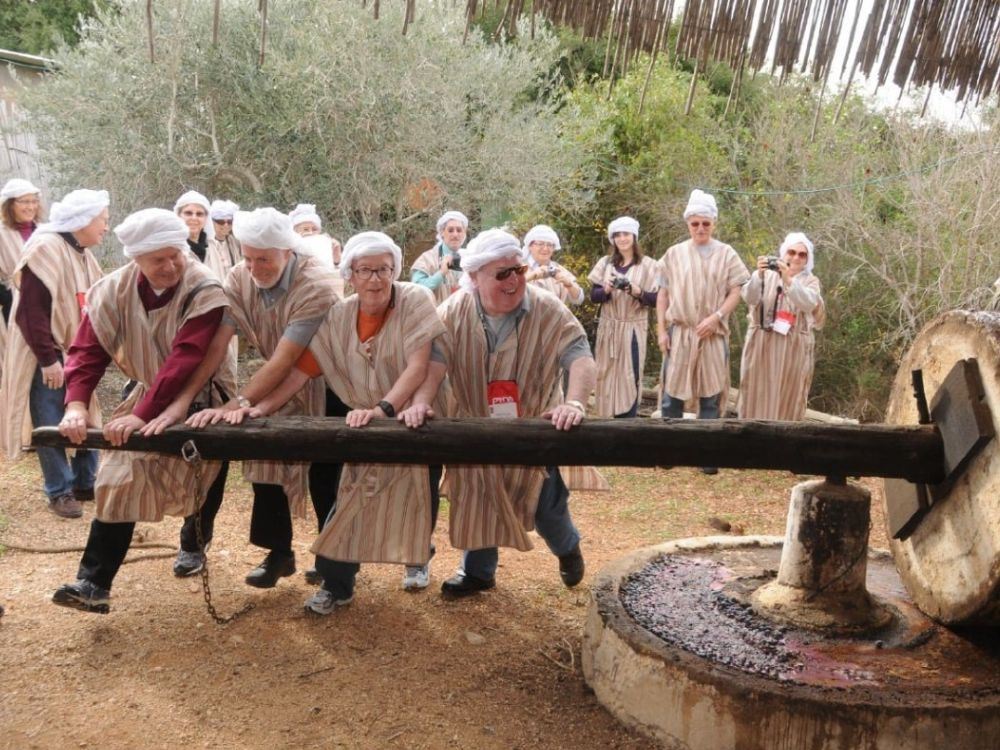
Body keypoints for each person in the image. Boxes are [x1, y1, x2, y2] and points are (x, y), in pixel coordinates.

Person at [227, 231, 446, 613]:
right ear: (350, 275)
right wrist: (262, 407)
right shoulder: (339, 316)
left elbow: (419, 365)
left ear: (394, 270)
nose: (375, 279)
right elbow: (300, 373)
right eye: (365, 270)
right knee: (348, 502)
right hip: (367, 418)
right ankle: (336, 584)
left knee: (419, 496)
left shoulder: (414, 298)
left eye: (383, 269)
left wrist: (384, 409)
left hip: (412, 415)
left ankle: (416, 556)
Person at [50, 208, 234, 613]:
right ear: (136, 259)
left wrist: (142, 414)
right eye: (157, 260)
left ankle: (194, 543)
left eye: (175, 255)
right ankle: (93, 583)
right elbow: (87, 351)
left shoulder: (204, 288)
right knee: (117, 478)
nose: (170, 266)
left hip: (203, 394)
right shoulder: (111, 290)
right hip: (149, 393)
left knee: (203, 476)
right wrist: (76, 405)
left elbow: (186, 358)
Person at [400, 228, 597, 598]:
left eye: (518, 270)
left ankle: (567, 547)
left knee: (545, 505)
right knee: (478, 498)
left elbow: (580, 356)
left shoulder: (547, 307)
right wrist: (422, 401)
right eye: (501, 273)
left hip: (534, 425)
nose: (514, 280)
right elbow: (435, 363)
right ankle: (478, 573)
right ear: (474, 277)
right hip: (476, 427)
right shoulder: (453, 311)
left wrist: (573, 403)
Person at [183, 207, 338, 588]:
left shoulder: (316, 283)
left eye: (264, 259)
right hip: (275, 380)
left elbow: (286, 358)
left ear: (287, 251)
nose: (254, 268)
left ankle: (333, 558)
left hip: (329, 383)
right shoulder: (239, 276)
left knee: (326, 474)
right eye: (248, 257)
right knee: (264, 459)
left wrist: (239, 402)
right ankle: (278, 553)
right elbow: (219, 343)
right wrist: (187, 395)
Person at [0, 189, 107, 518]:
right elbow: (29, 312)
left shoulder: (82, 252)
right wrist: (48, 360)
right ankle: (59, 490)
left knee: (86, 409)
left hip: (74, 349)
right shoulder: (46, 247)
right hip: (45, 351)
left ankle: (85, 481)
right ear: (83, 221)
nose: (105, 227)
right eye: (102, 220)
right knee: (50, 418)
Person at [656, 189, 750, 474]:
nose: (700, 228)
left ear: (713, 224)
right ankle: (668, 451)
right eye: (695, 223)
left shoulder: (726, 254)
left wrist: (716, 317)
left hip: (712, 333)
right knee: (672, 395)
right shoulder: (674, 254)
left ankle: (707, 455)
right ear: (688, 223)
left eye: (705, 223)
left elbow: (736, 291)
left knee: (711, 394)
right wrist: (661, 331)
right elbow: (662, 294)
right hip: (681, 331)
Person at [738, 232, 825, 420]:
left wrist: (788, 280)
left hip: (793, 349)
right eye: (791, 252)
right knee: (756, 394)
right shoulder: (766, 275)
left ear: (807, 259)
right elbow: (749, 297)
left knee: (788, 397)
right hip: (762, 344)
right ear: (783, 253)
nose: (796, 258)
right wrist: (758, 275)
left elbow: (809, 303)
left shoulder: (811, 281)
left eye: (802, 254)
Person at [587, 216, 659, 418]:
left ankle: (628, 422)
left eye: (626, 234)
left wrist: (637, 291)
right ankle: (606, 422)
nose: (622, 238)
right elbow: (593, 296)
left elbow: (657, 299)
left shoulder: (649, 265)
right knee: (605, 375)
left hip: (633, 328)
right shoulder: (605, 263)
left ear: (634, 236)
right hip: (608, 328)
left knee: (630, 376)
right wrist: (606, 289)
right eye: (617, 235)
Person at [1, 179, 44, 384]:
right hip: (12, 304)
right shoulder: (2, 234)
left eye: (34, 201)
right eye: (24, 202)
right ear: (10, 205)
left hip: (44, 304)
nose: (30, 207)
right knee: (19, 365)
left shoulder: (44, 231)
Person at [409, 210, 468, 303]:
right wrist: (441, 273)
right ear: (442, 233)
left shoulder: (469, 258)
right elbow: (416, 291)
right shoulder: (427, 259)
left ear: (464, 233)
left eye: (459, 230)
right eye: (450, 230)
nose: (455, 234)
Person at [289, 204, 344, 297]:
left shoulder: (326, 242)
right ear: (295, 232)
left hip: (330, 289)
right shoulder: (291, 247)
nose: (310, 232)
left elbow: (338, 270)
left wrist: (336, 257)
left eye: (314, 229)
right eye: (305, 229)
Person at [522, 224, 584, 305]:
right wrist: (532, 276)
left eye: (550, 245)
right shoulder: (519, 267)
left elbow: (579, 300)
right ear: (530, 246)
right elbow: (509, 293)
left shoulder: (557, 269)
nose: (545, 248)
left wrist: (570, 284)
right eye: (540, 244)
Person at [206, 199, 241, 282]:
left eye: (229, 221)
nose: (226, 225)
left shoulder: (234, 242)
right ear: (212, 222)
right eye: (221, 221)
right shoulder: (206, 245)